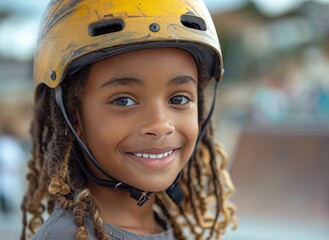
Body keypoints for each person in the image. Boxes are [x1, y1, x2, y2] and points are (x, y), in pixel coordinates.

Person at [21, 0, 237, 239]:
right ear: (73, 118)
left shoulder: (159, 224)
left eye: (179, 99)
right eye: (123, 101)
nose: (160, 125)